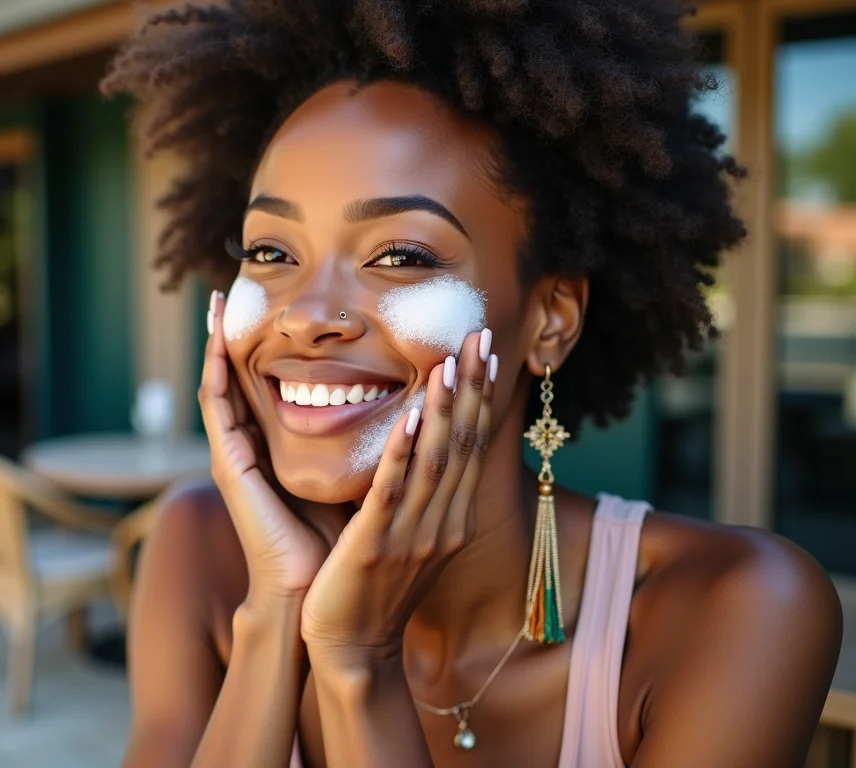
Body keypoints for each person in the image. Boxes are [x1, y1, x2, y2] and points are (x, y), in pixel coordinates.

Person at [101, 1, 844, 765]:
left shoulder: (742, 607)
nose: (305, 317)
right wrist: (275, 613)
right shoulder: (199, 547)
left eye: (401, 256)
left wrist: (357, 659)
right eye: (269, 251)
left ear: (551, 320)